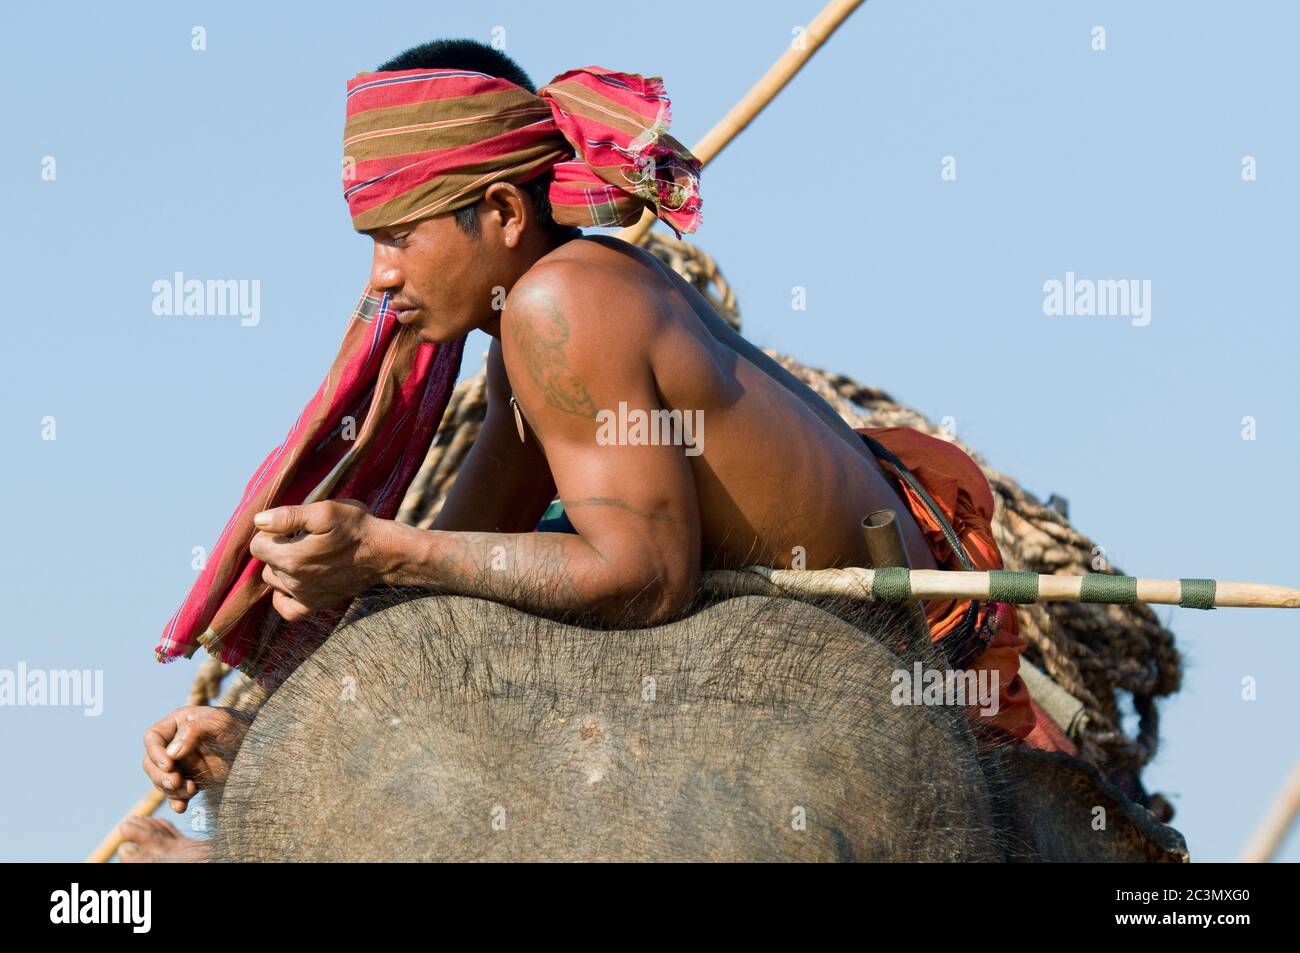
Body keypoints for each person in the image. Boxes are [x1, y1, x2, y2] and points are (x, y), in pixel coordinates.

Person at [125, 37, 1071, 861]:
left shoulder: (559, 305)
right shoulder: (531, 331)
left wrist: (380, 546)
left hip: (862, 653)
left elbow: (646, 574)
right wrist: (267, 737)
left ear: (500, 213)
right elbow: (439, 592)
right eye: (372, 243)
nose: (381, 277)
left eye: (400, 237)